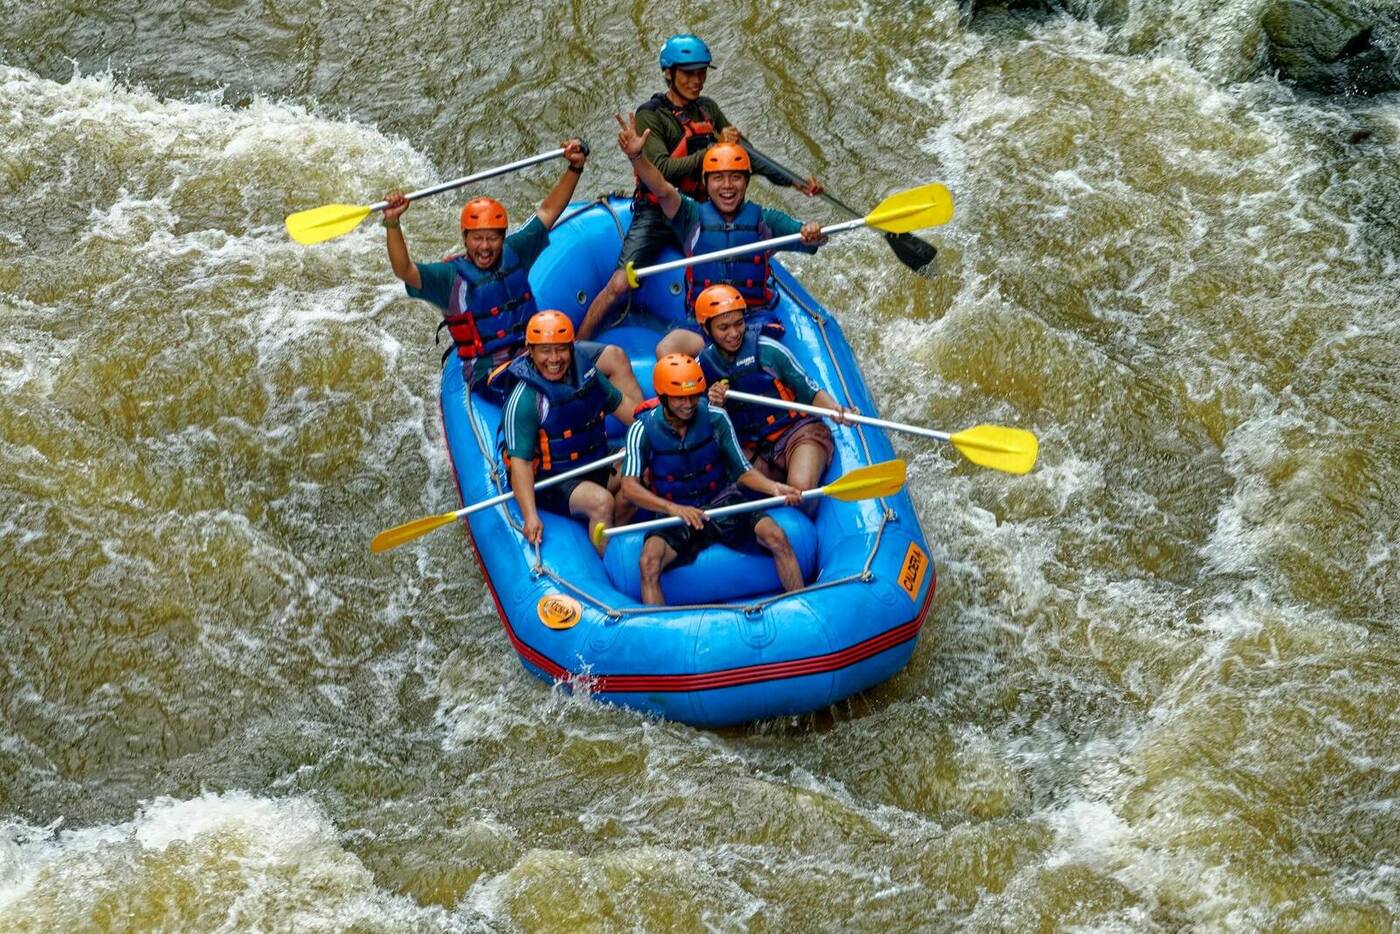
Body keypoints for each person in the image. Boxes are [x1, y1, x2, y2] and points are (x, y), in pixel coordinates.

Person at [577, 33, 821, 341]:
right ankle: (577, 346)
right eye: (689, 73)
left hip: (702, 213)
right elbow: (662, 170)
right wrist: (711, 150)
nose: (697, 80)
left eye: (701, 72)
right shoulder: (650, 115)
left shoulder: (708, 109)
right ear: (669, 74)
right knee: (619, 284)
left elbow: (745, 158)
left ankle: (740, 331)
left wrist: (796, 182)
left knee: (730, 263)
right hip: (658, 211)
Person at [380, 138, 642, 409]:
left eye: (492, 238)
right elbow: (404, 269)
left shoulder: (515, 251)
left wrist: (574, 168)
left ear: (502, 237)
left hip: (540, 353)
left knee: (615, 357)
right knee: (556, 386)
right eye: (477, 239)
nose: (485, 246)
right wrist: (392, 221)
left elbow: (548, 211)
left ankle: (642, 430)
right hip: (495, 373)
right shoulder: (449, 279)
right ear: (465, 238)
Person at [614, 117, 828, 359]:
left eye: (735, 177)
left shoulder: (766, 221)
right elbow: (661, 188)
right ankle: (689, 395)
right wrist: (636, 157)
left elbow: (812, 239)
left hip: (751, 322)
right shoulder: (690, 215)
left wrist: (814, 233)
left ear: (746, 182)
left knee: (756, 358)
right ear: (705, 182)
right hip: (705, 323)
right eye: (718, 178)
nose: (727, 186)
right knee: (667, 348)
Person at [619, 353, 805, 606]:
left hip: (722, 499)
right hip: (676, 511)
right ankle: (661, 632)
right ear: (663, 396)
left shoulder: (715, 416)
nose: (689, 403)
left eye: (694, 395)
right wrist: (672, 508)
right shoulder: (641, 430)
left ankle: (800, 607)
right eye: (680, 397)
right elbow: (629, 487)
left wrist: (774, 488)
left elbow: (742, 469)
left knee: (777, 537)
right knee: (648, 563)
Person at [491, 311, 635, 554]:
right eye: (545, 351)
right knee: (602, 502)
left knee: (642, 468)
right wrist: (530, 516)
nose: (554, 359)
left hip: (595, 459)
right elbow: (521, 466)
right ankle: (608, 561)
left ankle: (613, 531)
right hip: (552, 479)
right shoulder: (525, 399)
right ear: (530, 351)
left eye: (561, 349)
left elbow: (624, 408)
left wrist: (661, 427)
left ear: (571, 347)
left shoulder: (586, 373)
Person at [693, 285, 854, 494]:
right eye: (724, 328)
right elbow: (692, 418)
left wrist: (835, 409)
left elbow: (810, 391)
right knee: (727, 488)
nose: (734, 334)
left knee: (801, 488)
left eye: (739, 324)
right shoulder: (700, 368)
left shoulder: (768, 350)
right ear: (706, 329)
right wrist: (712, 404)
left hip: (798, 432)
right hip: (755, 450)